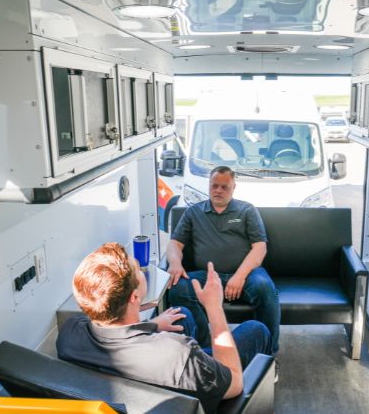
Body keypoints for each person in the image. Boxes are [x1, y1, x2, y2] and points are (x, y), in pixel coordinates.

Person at [56, 242, 271, 414]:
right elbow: (235, 383)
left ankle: (208, 362)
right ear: (134, 296)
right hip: (202, 394)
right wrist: (214, 307)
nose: (142, 272)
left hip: (131, 394)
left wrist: (153, 324)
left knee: (182, 316)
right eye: (138, 271)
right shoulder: (178, 354)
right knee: (256, 329)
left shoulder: (69, 334)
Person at [167, 166, 280, 354]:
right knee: (179, 288)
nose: (218, 190)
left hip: (246, 273)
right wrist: (175, 263)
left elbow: (260, 248)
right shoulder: (193, 212)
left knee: (265, 289)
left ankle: (267, 355)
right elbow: (175, 244)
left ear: (234, 187)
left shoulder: (247, 210)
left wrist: (239, 276)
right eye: (214, 186)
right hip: (208, 275)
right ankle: (204, 351)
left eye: (224, 187)